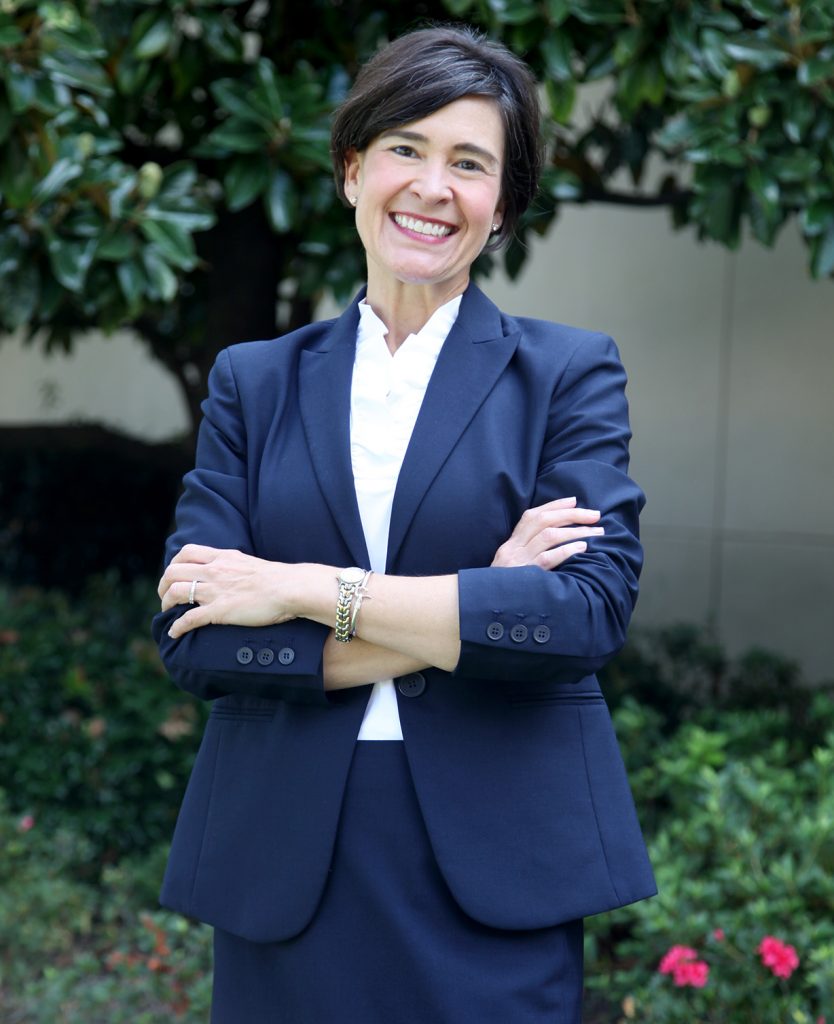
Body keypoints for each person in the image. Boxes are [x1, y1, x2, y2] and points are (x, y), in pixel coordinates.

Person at [153, 24, 656, 1024]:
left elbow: (580, 618)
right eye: (406, 149)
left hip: (496, 863)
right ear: (352, 170)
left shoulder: (567, 373)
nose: (433, 186)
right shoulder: (256, 383)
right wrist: (477, 599)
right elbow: (196, 639)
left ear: (502, 205)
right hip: (287, 863)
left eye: (470, 164)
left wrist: (295, 588)